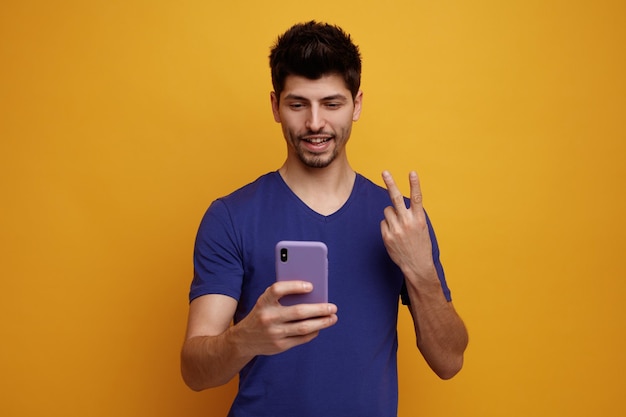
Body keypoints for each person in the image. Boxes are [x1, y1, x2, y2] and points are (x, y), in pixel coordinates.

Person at [181, 21, 468, 417]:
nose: (315, 123)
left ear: (358, 104)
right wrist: (244, 339)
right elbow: (195, 372)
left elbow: (449, 361)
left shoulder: (402, 221)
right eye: (298, 104)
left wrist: (421, 271)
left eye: (332, 104)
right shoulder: (230, 217)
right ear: (275, 106)